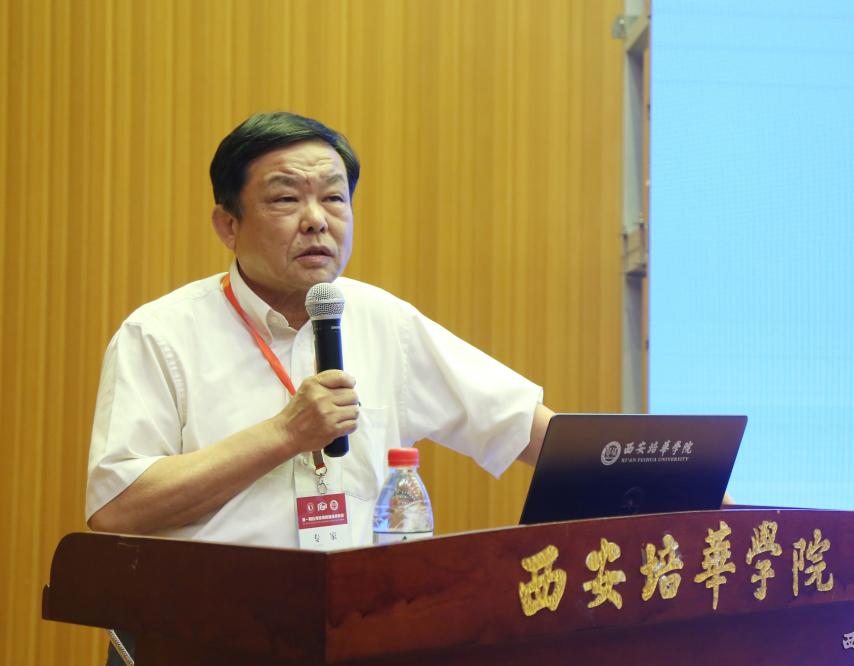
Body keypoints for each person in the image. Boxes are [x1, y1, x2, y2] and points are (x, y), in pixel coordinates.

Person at [86, 112, 553, 553]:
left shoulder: (384, 320)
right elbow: (116, 507)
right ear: (228, 225)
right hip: (213, 608)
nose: (316, 220)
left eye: (333, 198)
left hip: (355, 606)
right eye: (286, 199)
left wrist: (602, 467)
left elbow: (526, 429)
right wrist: (284, 434)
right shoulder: (160, 334)